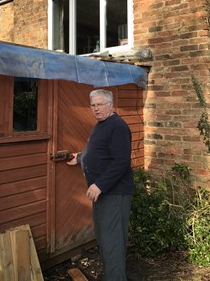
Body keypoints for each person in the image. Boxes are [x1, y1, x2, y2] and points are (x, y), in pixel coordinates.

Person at [67, 89, 133, 281]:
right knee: (105, 238)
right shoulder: (102, 125)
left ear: (110, 105)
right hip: (104, 194)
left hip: (114, 193)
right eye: (93, 105)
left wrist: (100, 185)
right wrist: (80, 157)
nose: (96, 109)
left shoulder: (117, 126)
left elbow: (121, 161)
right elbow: (99, 151)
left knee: (112, 241)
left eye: (100, 104)